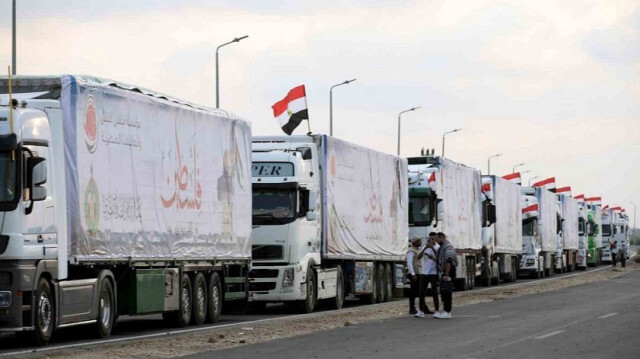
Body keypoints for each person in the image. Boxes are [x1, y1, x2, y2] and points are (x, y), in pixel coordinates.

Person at [414, 232, 440, 318]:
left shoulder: (438, 247)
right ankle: (421, 311)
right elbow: (418, 257)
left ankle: (437, 311)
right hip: (425, 272)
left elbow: (439, 258)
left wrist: (432, 248)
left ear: (436, 239)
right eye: (430, 239)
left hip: (434, 273)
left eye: (433, 239)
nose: (431, 240)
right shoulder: (424, 247)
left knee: (434, 292)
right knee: (421, 292)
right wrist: (425, 247)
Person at [435, 232, 457, 319]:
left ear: (441, 238)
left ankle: (447, 311)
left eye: (437, 239)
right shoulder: (442, 247)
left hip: (447, 273)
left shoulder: (448, 247)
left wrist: (446, 274)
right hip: (443, 273)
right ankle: (445, 311)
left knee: (447, 292)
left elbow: (449, 261)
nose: (436, 241)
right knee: (443, 293)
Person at [406, 235, 423, 315]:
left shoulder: (417, 250)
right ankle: (412, 308)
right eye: (419, 241)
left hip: (418, 272)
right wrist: (413, 274)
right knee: (414, 292)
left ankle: (421, 307)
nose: (421, 242)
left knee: (419, 291)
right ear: (415, 242)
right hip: (414, 273)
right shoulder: (411, 251)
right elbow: (409, 264)